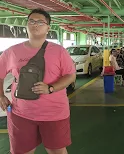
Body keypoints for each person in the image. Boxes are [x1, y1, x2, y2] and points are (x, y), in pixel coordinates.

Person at [0, 8, 76, 154]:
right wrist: (1, 95)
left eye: (40, 22)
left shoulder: (59, 51)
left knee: (57, 151)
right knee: (21, 151)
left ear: (48, 28)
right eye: (32, 21)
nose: (35, 24)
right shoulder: (12, 52)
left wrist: (50, 88)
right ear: (26, 25)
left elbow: (70, 76)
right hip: (21, 113)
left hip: (54, 113)